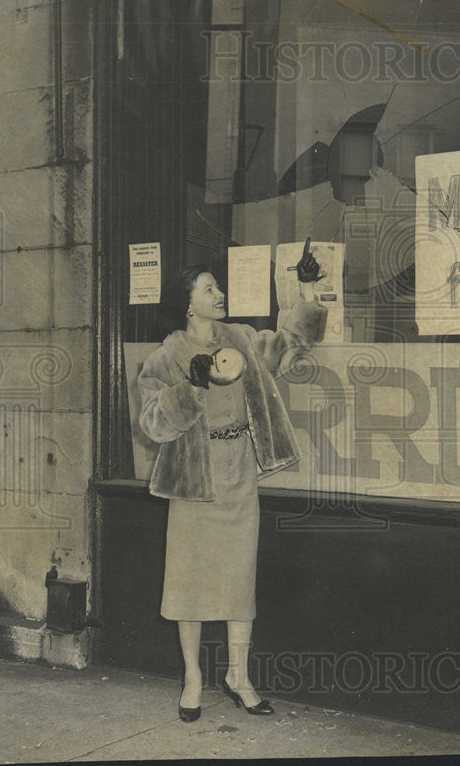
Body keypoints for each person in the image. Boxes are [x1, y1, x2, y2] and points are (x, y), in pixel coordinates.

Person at [137, 246, 326, 722]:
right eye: (209, 289)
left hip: (239, 471)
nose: (219, 294)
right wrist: (191, 388)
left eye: (218, 287)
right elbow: (153, 426)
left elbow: (290, 345)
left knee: (240, 582)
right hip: (193, 481)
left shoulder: (241, 337)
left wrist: (307, 291)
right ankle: (193, 679)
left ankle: (238, 676)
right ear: (187, 303)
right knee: (190, 586)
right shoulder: (165, 357)